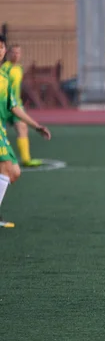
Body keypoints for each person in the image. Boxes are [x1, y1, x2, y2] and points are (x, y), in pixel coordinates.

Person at [0, 36, 51, 227]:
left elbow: (14, 106)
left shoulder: (4, 77)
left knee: (13, 172)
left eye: (1, 47)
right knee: (5, 167)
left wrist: (36, 126)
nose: (0, 50)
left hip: (1, 128)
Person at [0, 45, 42, 167]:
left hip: (15, 103)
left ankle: (26, 159)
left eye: (18, 53)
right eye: (14, 52)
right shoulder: (4, 69)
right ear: (9, 54)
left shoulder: (19, 68)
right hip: (4, 105)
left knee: (22, 127)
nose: (16, 55)